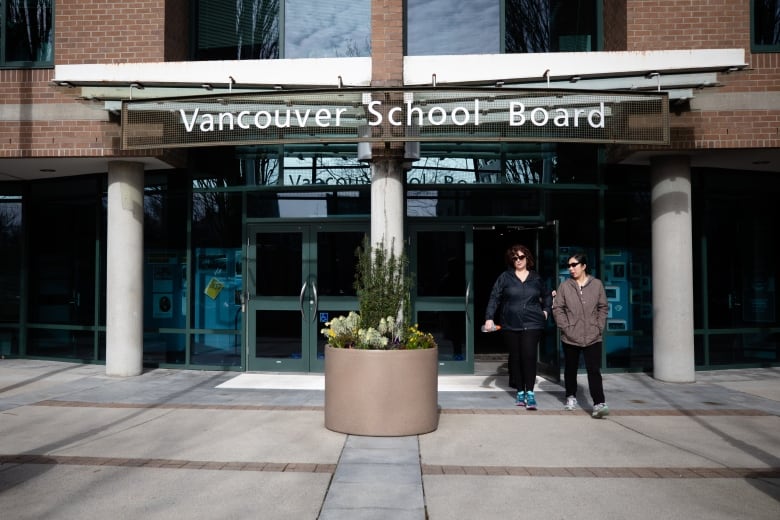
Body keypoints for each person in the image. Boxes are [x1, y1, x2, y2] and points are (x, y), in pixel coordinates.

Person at [483, 244, 552, 410]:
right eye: (515, 258)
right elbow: (494, 297)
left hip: (533, 323)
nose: (518, 260)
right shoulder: (505, 277)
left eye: (521, 257)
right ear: (511, 261)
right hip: (510, 324)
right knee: (516, 358)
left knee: (528, 356)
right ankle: (520, 391)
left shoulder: (536, 278)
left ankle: (530, 393)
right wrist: (489, 318)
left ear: (527, 258)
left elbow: (547, 295)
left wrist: (546, 312)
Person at [551, 253, 611, 418]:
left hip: (593, 335)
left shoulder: (597, 284)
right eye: (569, 265)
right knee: (571, 369)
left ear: (583, 266)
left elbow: (603, 307)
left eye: (574, 265)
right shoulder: (565, 286)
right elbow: (558, 308)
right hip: (570, 336)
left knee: (593, 370)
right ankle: (571, 397)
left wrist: (598, 326)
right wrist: (565, 327)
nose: (571, 268)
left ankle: (599, 403)